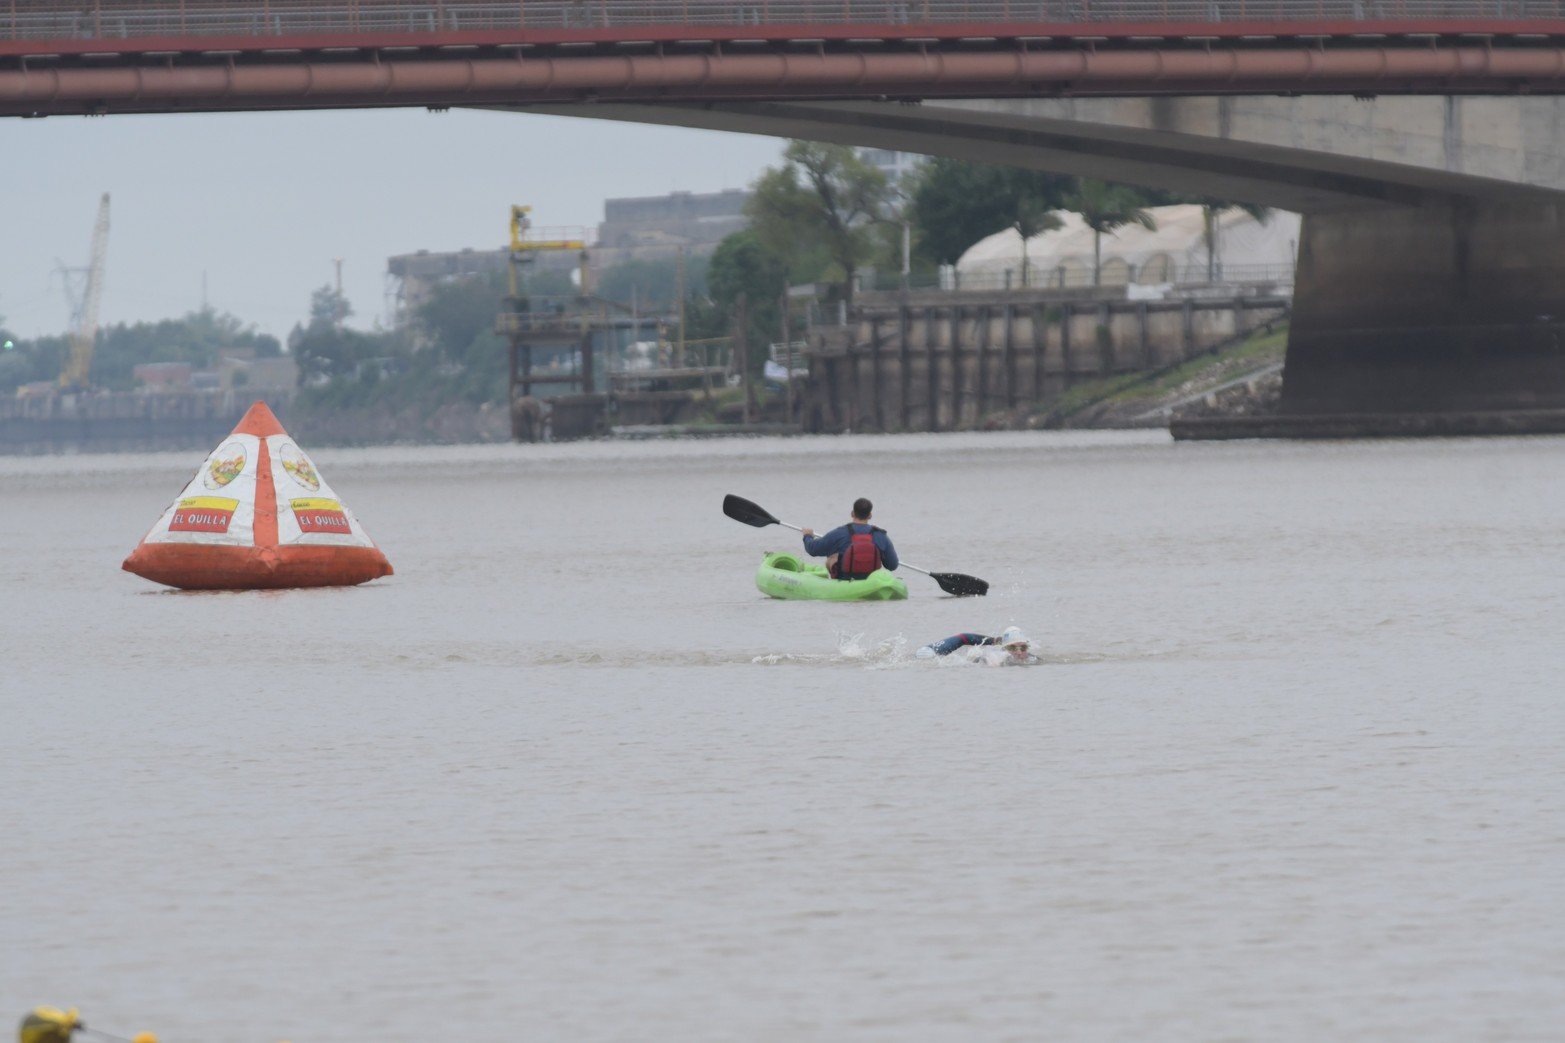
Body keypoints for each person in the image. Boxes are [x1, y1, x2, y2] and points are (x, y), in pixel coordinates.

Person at [801, 498, 898, 580]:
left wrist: (807, 536)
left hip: (845, 580)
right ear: (870, 515)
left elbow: (813, 549)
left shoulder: (839, 533)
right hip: (871, 580)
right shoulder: (881, 536)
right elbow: (892, 565)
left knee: (832, 558)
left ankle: (837, 584)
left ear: (852, 513)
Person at [918, 626, 1037, 663]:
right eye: (1013, 648)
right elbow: (963, 637)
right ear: (1005, 648)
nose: (1019, 652)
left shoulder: (1032, 658)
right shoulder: (996, 657)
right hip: (927, 652)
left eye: (1023, 647)